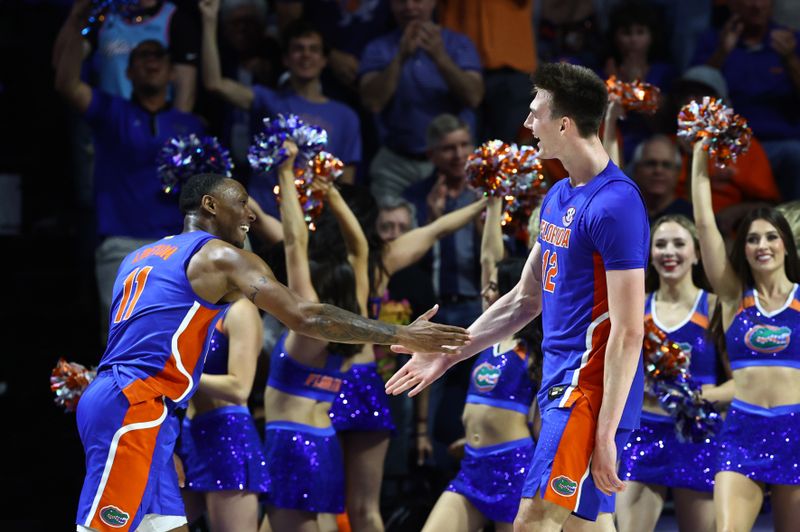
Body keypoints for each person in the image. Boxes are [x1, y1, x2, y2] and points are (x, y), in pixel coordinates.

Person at [73, 142, 470, 532]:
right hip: (136, 405)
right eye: (242, 201)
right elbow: (304, 315)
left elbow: (140, 346)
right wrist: (402, 333)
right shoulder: (220, 256)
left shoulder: (137, 257)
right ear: (210, 205)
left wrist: (164, 437)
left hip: (138, 405)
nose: (250, 212)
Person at [386, 62, 649, 531]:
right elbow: (523, 299)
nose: (527, 123)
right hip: (560, 385)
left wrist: (605, 431)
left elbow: (629, 331)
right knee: (581, 527)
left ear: (564, 124)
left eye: (535, 113)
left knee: (531, 522)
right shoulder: (558, 197)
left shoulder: (617, 204)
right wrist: (449, 353)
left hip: (584, 393)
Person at [53, 0, 207, 336]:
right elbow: (66, 83)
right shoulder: (110, 112)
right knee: (122, 337)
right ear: (128, 72)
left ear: (171, 72)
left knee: (175, 340)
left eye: (158, 57)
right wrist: (78, 15)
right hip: (120, 245)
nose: (151, 63)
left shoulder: (191, 126)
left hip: (175, 247)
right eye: (142, 58)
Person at [260, 144, 371, 531]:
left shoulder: (310, 326)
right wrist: (334, 195)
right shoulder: (352, 323)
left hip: (291, 445)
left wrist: (286, 173)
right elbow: (361, 251)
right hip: (323, 446)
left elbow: (294, 242)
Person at [690, 139, 800, 531]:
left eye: (771, 236)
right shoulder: (733, 297)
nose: (761, 245)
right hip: (742, 431)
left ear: (786, 244)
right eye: (752, 238)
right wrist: (701, 159)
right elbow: (705, 226)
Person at [421, 197, 541, 532]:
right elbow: (489, 257)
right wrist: (495, 201)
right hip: (473, 466)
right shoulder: (483, 337)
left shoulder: (532, 346)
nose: (485, 293)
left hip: (513, 465)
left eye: (492, 288)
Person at [616, 215, 733, 532]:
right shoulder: (633, 308)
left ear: (697, 254)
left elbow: (742, 383)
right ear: (648, 254)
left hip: (698, 437)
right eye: (660, 244)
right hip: (643, 434)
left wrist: (695, 395)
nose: (669, 252)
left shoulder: (716, 306)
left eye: (679, 244)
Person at [200, 0, 362, 188]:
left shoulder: (345, 117)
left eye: (313, 49)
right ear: (285, 59)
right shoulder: (267, 100)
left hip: (316, 215)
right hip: (265, 213)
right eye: (298, 49)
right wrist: (209, 20)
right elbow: (214, 83)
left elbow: (347, 184)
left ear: (324, 60)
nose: (306, 55)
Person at [359, 0, 484, 199]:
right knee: (392, 227)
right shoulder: (378, 48)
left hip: (453, 161)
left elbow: (474, 97)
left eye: (418, 0)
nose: (409, 7)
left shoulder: (458, 44)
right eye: (402, 2)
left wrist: (439, 56)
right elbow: (373, 102)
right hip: (397, 164)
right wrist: (400, 57)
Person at [692, 0, 800, 201]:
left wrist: (790, 59)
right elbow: (695, 91)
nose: (757, 6)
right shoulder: (715, 39)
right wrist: (722, 53)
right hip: (729, 142)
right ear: (733, 5)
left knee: (796, 155)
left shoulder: (790, 40)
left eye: (763, 0)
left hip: (779, 143)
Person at [176, 297, 269, 531]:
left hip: (227, 437)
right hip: (189, 436)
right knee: (152, 522)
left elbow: (240, 387)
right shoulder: (192, 308)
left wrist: (180, 374)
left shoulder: (240, 310)